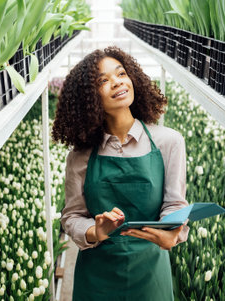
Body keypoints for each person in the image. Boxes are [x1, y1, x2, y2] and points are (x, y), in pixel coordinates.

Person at [52, 46, 190, 301]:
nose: (116, 83)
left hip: (150, 274)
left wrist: (172, 232)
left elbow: (174, 203)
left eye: (121, 73)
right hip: (97, 278)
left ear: (133, 79)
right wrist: (96, 231)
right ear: (89, 98)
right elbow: (71, 216)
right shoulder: (80, 156)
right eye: (103, 81)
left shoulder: (168, 141)